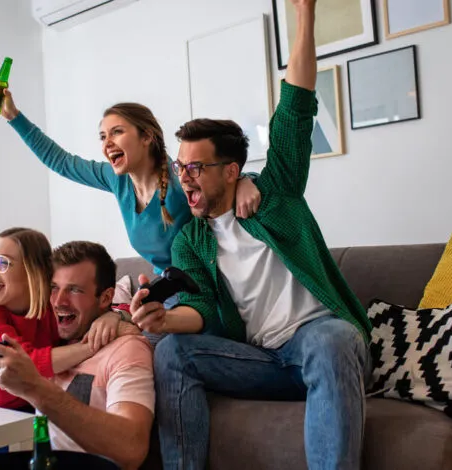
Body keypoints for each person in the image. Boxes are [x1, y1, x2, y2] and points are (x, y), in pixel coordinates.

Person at [126, 1, 373, 469]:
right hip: (259, 360)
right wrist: (162, 320)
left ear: (232, 170)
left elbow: (296, 106)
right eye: (181, 168)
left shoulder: (275, 192)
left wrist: (305, 15)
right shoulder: (189, 241)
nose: (186, 179)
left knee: (331, 339)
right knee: (172, 353)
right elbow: (197, 309)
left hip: (320, 342)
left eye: (196, 167)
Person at [0, 82, 263, 282]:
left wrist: (246, 181)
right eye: (102, 136)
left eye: (117, 132)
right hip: (164, 288)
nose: (107, 143)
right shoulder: (116, 180)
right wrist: (13, 116)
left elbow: (218, 179)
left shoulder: (179, 176)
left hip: (205, 288)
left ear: (146, 137)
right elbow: (60, 162)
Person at [0, 241, 155, 470]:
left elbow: (131, 449)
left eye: (74, 290)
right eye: (53, 287)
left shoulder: (126, 349)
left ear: (105, 298)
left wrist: (36, 388)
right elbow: (3, 291)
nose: (58, 301)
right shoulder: (47, 334)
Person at [0, 227, 136, 414]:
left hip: (20, 405)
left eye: (3, 263)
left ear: (34, 273)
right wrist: (94, 344)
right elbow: (23, 365)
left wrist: (115, 316)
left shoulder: (53, 302)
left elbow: (105, 305)